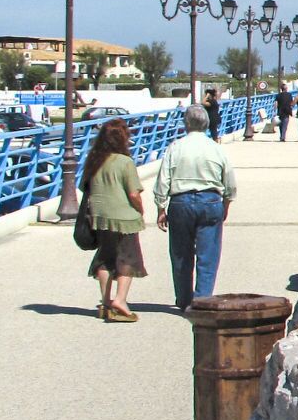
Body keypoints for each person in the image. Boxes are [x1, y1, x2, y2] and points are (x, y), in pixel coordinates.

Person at [156, 103, 237, 310]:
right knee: (208, 254)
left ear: (186, 123)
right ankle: (202, 300)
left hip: (180, 202)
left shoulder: (175, 147)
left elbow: (163, 180)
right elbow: (229, 181)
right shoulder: (216, 149)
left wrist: (160, 208)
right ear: (206, 124)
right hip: (210, 200)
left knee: (181, 254)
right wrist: (226, 203)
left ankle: (184, 299)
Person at [80, 118, 146, 322]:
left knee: (105, 257)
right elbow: (134, 194)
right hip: (123, 217)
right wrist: (140, 210)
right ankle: (120, 300)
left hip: (100, 216)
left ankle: (106, 301)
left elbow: (85, 188)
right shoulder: (125, 162)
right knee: (128, 258)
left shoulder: (94, 160)